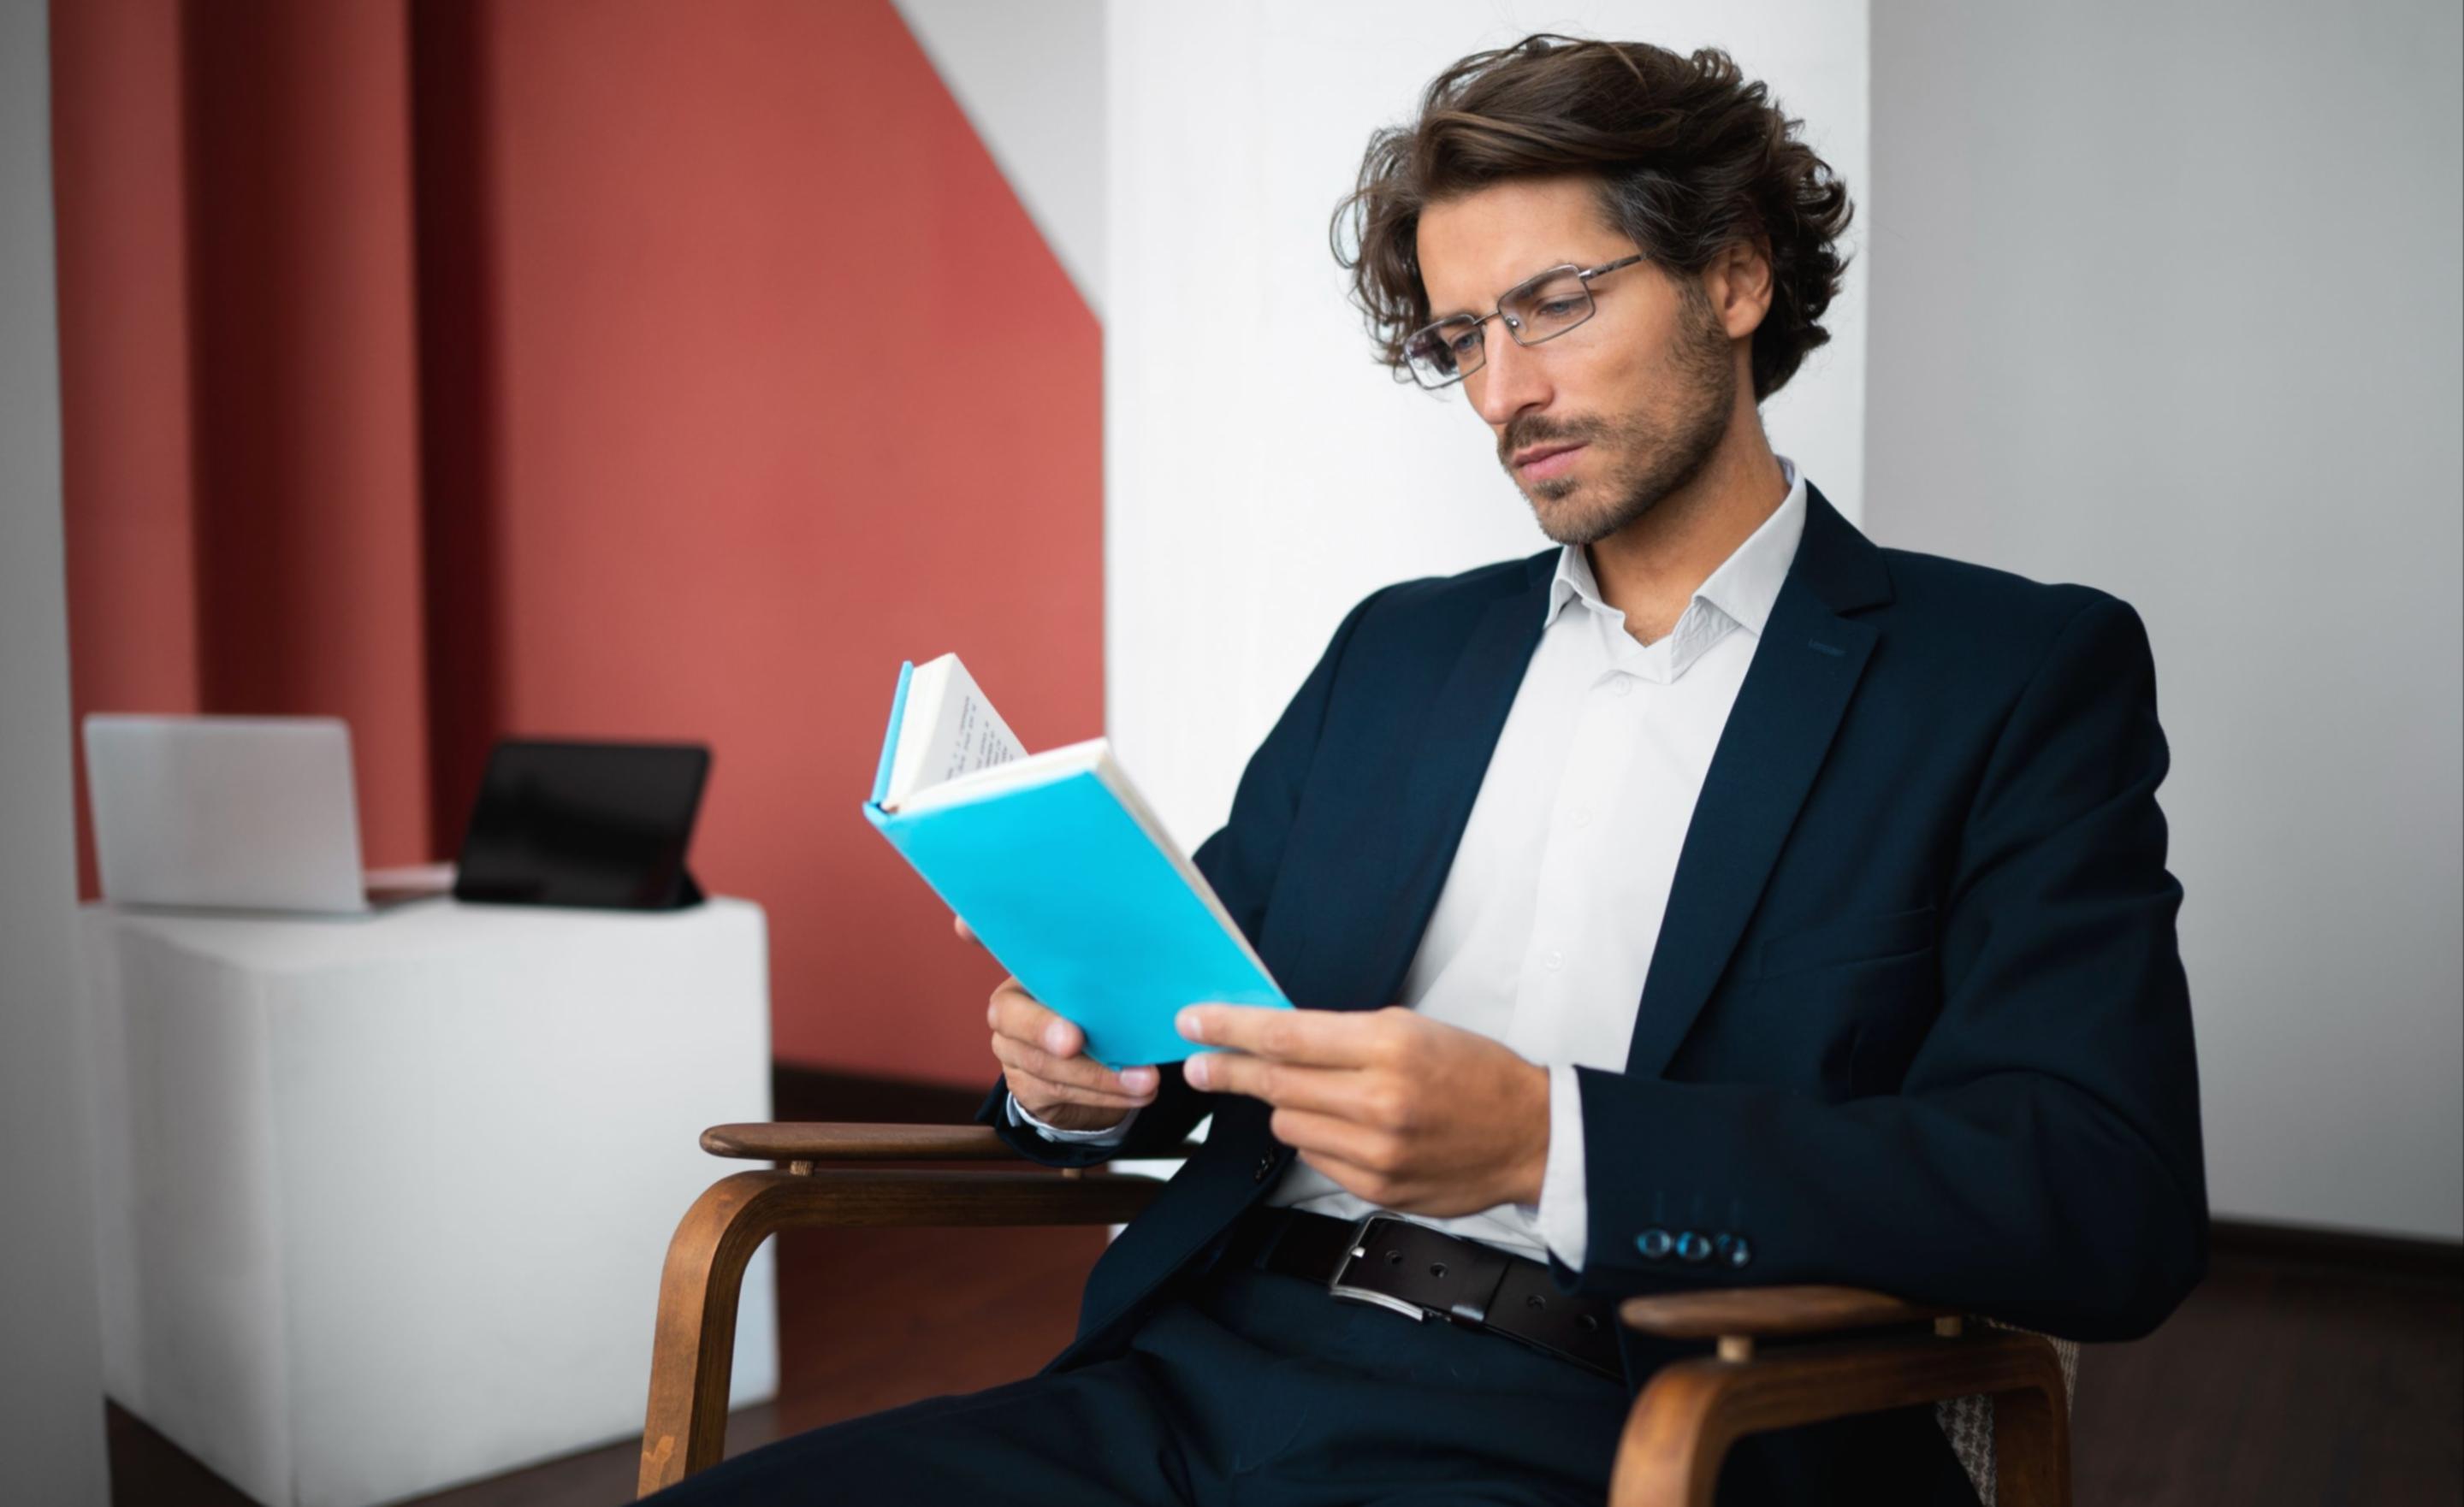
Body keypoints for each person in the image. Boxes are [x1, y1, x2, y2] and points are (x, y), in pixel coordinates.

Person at [653, 34, 2206, 1506]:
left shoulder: (2002, 676)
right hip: (1195, 1376)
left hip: (1622, 1428)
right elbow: (1207, 1012)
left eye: (1554, 304)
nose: (1500, 392)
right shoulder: (1402, 652)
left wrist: (1549, 1140)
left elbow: (2103, 1198)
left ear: (1736, 275)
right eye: (1465, 336)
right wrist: (1075, 1078)